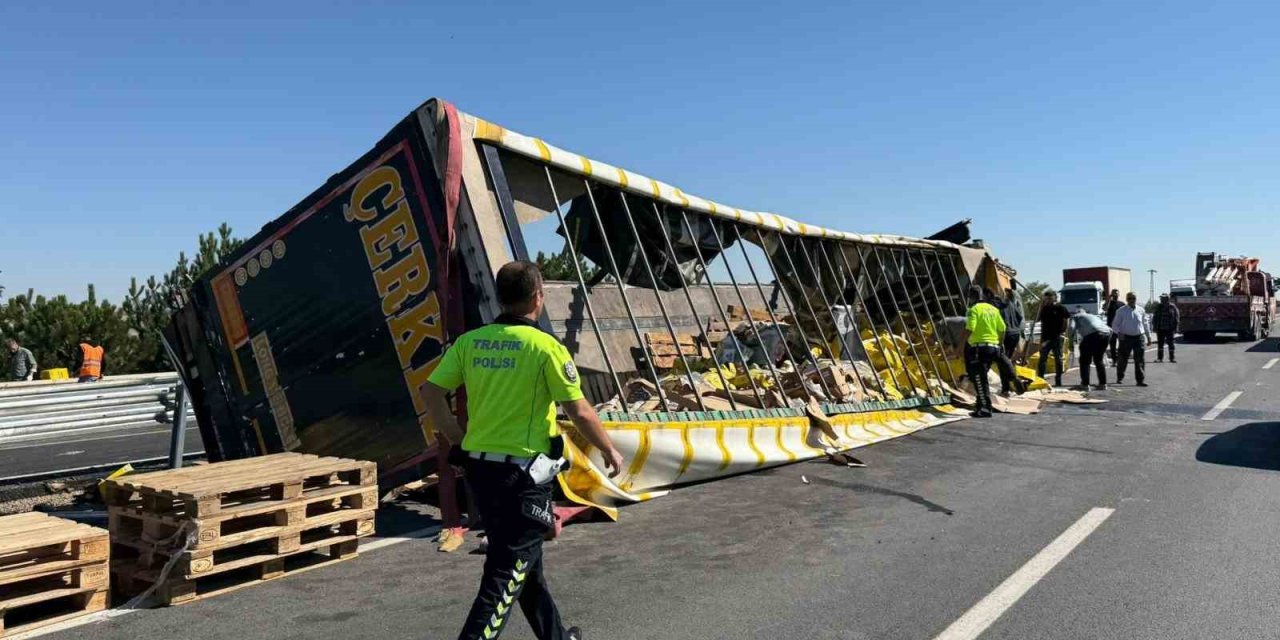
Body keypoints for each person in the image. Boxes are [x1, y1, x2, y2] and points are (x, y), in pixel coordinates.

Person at [423, 261, 624, 640]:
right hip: (524, 478)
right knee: (504, 576)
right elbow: (578, 409)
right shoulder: (546, 347)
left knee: (525, 565)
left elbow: (431, 392)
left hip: (481, 473)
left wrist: (456, 436)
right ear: (538, 296)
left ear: (501, 297)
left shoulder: (470, 342)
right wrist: (609, 449)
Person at [961, 285, 1005, 418]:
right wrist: (1000, 344)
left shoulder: (973, 310)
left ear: (971, 297)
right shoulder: (993, 309)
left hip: (979, 348)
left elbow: (970, 328)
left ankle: (985, 408)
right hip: (993, 347)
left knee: (979, 379)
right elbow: (1002, 328)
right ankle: (981, 404)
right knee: (981, 377)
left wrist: (960, 347)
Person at [986, 290, 1024, 395]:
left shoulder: (993, 305)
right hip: (1015, 333)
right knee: (1005, 360)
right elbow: (1019, 317)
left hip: (1004, 334)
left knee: (1001, 360)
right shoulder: (1010, 303)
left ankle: (1009, 384)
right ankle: (1007, 387)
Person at [1111, 292, 1151, 387]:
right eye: (1129, 298)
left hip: (1139, 337)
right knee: (1122, 359)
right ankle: (1120, 378)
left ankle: (1140, 380)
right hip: (1125, 338)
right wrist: (1119, 333)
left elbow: (1145, 324)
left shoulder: (1141, 310)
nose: (1131, 300)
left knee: (1140, 359)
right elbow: (1114, 325)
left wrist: (1148, 337)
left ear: (1136, 299)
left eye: (1133, 298)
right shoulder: (1121, 311)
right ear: (1126, 299)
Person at [1035, 291, 1071, 387]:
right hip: (1045, 337)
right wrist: (1041, 306)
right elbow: (1037, 319)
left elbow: (1066, 321)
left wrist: (1063, 333)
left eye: (1050, 298)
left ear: (1055, 298)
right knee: (1042, 358)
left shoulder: (1060, 308)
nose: (1048, 300)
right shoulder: (1044, 309)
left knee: (1058, 358)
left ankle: (1058, 379)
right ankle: (1040, 379)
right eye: (1046, 299)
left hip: (1057, 337)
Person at [1070, 308, 1111, 390]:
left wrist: (1070, 341)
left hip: (1092, 335)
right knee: (1099, 360)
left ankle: (1085, 385)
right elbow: (1110, 330)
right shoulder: (1094, 316)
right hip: (1105, 334)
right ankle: (1103, 384)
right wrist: (1106, 345)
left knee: (1085, 361)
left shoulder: (1076, 316)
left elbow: (1071, 328)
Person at [1152, 293, 1180, 363]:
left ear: (1167, 299)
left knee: (1171, 344)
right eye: (1161, 298)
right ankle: (1160, 358)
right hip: (1160, 328)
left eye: (1163, 298)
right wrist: (1154, 327)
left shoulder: (1172, 307)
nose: (1162, 299)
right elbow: (1154, 317)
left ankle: (1172, 358)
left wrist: (1176, 327)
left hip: (1169, 329)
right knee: (1160, 344)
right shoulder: (1158, 306)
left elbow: (1177, 317)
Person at [999, 288, 1024, 363]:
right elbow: (1020, 317)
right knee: (1009, 356)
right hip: (1015, 333)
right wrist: (1015, 326)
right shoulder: (1013, 304)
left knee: (1004, 356)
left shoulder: (1001, 305)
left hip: (1007, 333)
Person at [1103, 289, 1123, 361]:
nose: (1115, 295)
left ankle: (1121, 358)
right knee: (1112, 345)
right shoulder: (1109, 303)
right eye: (1114, 294)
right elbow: (1105, 308)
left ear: (1119, 295)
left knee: (1122, 344)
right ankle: (1114, 360)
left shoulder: (1122, 304)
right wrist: (1109, 298)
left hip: (1120, 328)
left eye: (1117, 294)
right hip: (1111, 328)